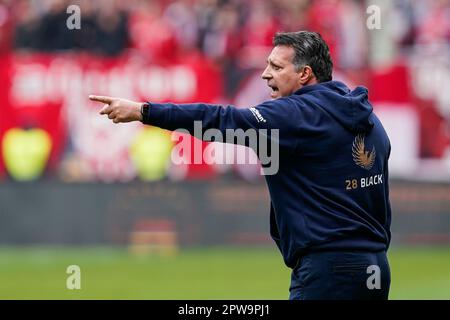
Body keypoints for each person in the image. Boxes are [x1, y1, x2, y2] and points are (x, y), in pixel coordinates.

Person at [89, 31, 392, 300]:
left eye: (276, 67)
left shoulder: (294, 115)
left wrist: (144, 111)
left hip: (328, 272)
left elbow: (222, 119)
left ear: (305, 74)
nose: (264, 74)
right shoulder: (368, 119)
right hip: (375, 267)